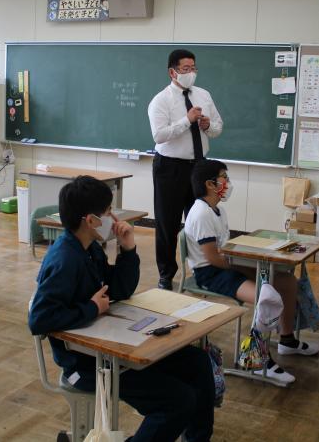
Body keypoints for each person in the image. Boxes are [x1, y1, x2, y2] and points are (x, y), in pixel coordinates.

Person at [28, 176, 215, 442]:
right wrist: (91, 308)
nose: (113, 218)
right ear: (90, 220)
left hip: (110, 350)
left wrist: (128, 250)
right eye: (107, 212)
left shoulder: (89, 248)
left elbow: (119, 290)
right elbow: (39, 319)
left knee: (197, 361)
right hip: (86, 365)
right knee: (177, 401)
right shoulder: (65, 260)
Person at [184, 159, 318, 385]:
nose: (228, 182)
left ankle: (287, 340)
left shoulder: (218, 210)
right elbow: (213, 258)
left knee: (287, 282)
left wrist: (248, 261)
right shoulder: (200, 214)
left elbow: (225, 250)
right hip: (211, 274)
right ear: (210, 184)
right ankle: (256, 360)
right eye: (224, 177)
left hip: (226, 265)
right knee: (268, 297)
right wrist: (246, 264)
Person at [148, 49, 223, 290]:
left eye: (193, 68)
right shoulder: (161, 100)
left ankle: (202, 273)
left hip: (199, 167)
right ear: (173, 72)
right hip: (170, 167)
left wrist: (208, 125)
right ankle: (166, 275)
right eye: (186, 69)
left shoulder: (204, 94)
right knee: (167, 224)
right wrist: (186, 121)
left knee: (199, 221)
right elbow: (159, 135)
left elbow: (218, 127)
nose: (191, 73)